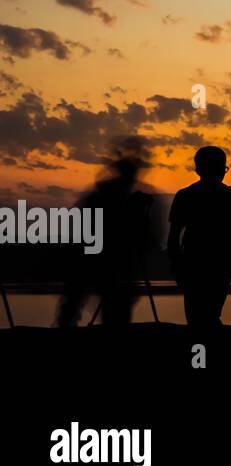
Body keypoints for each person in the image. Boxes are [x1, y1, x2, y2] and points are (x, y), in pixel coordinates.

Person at [57, 136, 160, 327]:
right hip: (103, 260)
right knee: (103, 309)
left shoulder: (102, 194)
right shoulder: (112, 196)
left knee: (86, 306)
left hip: (109, 262)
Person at [166, 146, 231, 326]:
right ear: (222, 169)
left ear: (197, 169)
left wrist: (177, 268)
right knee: (211, 315)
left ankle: (199, 352)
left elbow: (173, 239)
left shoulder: (185, 196)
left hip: (192, 265)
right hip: (221, 265)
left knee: (195, 318)